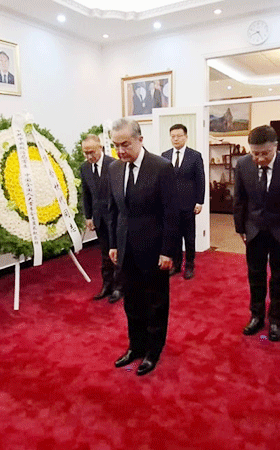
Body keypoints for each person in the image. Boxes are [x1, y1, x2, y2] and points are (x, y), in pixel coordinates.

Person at [107, 118, 178, 375]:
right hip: (125, 248)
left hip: (154, 248)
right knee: (132, 301)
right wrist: (113, 244)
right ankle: (135, 346)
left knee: (156, 302)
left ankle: (153, 350)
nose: (120, 150)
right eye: (116, 145)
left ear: (140, 139)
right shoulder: (114, 168)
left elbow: (171, 213)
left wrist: (168, 251)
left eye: (125, 144)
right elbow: (114, 210)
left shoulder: (161, 167)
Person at [233, 125, 280, 341]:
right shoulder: (243, 164)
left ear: (275, 147)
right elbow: (240, 199)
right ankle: (256, 316)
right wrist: (240, 228)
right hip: (253, 229)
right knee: (255, 276)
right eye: (255, 153)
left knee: (279, 277)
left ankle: (276, 320)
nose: (259, 158)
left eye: (264, 153)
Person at [79, 134, 121, 303]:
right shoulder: (84, 168)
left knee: (117, 252)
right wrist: (88, 216)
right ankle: (107, 285)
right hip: (99, 218)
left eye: (92, 152)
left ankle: (119, 287)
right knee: (104, 254)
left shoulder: (114, 164)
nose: (89, 156)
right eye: (85, 153)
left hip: (115, 217)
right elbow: (86, 194)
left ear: (100, 148)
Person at [161, 124, 205, 279]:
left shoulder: (195, 156)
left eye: (179, 136)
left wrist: (200, 201)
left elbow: (200, 179)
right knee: (174, 237)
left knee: (189, 238)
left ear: (186, 137)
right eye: (173, 136)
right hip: (171, 206)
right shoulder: (164, 155)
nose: (175, 139)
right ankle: (177, 264)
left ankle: (190, 266)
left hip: (189, 204)